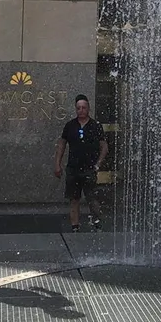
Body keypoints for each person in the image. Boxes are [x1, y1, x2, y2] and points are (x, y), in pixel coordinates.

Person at [54, 95, 107, 232]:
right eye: (78, 108)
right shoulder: (70, 126)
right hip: (73, 168)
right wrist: (57, 164)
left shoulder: (95, 126)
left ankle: (97, 222)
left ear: (88, 108)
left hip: (89, 168)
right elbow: (62, 145)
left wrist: (98, 164)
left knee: (92, 198)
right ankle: (75, 227)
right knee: (74, 199)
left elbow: (104, 147)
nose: (81, 110)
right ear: (75, 109)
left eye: (84, 108)